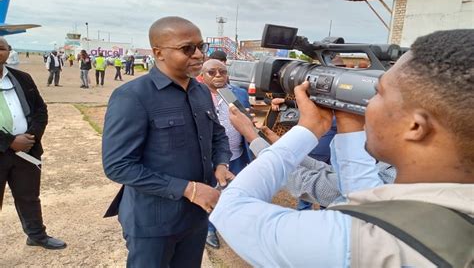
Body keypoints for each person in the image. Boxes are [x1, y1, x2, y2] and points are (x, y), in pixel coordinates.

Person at [210, 29, 474, 267]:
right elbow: (367, 199)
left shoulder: (366, 241)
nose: (368, 103)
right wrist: (349, 128)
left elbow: (231, 209)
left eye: (378, 92)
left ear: (416, 127)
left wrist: (306, 131)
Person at [102, 16, 234, 268]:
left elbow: (217, 135)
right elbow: (118, 166)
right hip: (153, 222)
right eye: (187, 48)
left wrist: (221, 163)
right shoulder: (132, 97)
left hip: (195, 217)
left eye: (201, 47)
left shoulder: (201, 91)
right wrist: (189, 189)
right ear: (158, 52)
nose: (198, 55)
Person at [228, 107, 396, 207]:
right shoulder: (398, 162)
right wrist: (281, 145)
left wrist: (252, 136)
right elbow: (329, 174)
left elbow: (316, 185)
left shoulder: (398, 178)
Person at [0, 37, 66, 250]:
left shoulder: (22, 78)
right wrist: (10, 142)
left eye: (1, 48)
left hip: (26, 151)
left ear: (9, 51)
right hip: (5, 149)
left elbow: (40, 110)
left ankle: (36, 235)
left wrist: (31, 137)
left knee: (29, 196)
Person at [200, 58, 253, 249]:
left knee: (234, 193)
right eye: (212, 72)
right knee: (211, 194)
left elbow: (246, 119)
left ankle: (232, 225)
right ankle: (209, 228)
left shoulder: (238, 93)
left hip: (238, 155)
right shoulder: (196, 94)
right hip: (210, 159)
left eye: (222, 72)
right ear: (202, 74)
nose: (218, 76)